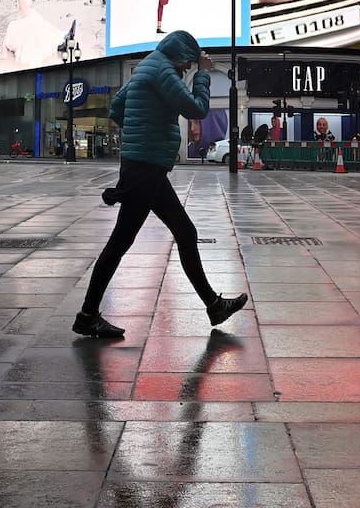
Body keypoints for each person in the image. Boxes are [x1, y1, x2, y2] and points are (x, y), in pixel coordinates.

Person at [74, 30, 248, 338]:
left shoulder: (147, 67)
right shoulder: (164, 70)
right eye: (187, 65)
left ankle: (214, 306)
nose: (185, 70)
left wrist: (143, 128)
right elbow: (196, 109)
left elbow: (117, 107)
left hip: (144, 166)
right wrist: (203, 76)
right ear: (180, 56)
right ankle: (87, 315)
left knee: (184, 232)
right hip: (146, 168)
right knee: (119, 244)